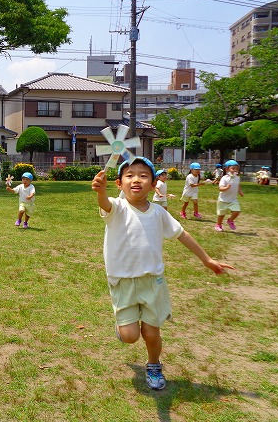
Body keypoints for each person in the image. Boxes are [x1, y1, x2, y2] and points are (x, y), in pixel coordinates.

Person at [91, 157, 233, 391]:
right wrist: (101, 191)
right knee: (130, 336)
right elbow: (104, 203)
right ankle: (122, 329)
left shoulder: (158, 212)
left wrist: (207, 260)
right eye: (129, 175)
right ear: (119, 183)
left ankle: (154, 365)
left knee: (151, 331)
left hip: (153, 282)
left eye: (143, 175)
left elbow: (182, 234)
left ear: (154, 184)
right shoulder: (116, 208)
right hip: (123, 282)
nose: (136, 180)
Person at [215, 159, 244, 232]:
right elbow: (220, 188)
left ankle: (230, 220)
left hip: (233, 200)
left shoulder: (237, 177)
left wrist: (240, 191)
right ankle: (218, 224)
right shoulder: (224, 178)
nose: (235, 170)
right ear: (227, 169)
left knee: (237, 211)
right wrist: (226, 188)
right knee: (221, 214)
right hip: (223, 200)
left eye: (236, 169)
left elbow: (238, 185)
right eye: (233, 168)